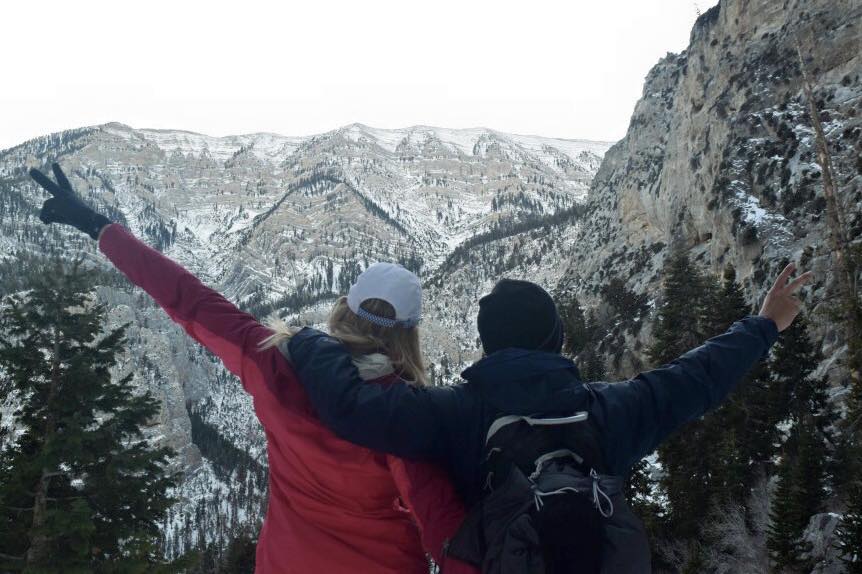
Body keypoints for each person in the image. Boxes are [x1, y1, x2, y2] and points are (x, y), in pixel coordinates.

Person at [29, 163, 477, 574]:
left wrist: (97, 226)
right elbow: (448, 535)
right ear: (409, 336)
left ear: (343, 309)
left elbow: (189, 297)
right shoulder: (404, 419)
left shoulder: (275, 362)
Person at [285, 268, 811, 572]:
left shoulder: (453, 413)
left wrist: (313, 340)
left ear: (489, 344)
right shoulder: (608, 410)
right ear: (554, 340)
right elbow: (697, 377)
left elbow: (351, 408)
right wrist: (765, 325)